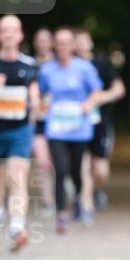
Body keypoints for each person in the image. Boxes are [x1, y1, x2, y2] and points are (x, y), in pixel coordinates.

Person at [0, 15, 39, 250]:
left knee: (17, 174)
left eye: (13, 30)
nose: (9, 34)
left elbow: (35, 91)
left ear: (20, 35)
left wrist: (34, 101)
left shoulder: (30, 66)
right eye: (4, 30)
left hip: (19, 131)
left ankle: (17, 226)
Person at [38, 27, 103, 233]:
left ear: (73, 45)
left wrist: (88, 104)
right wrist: (39, 104)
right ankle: (61, 215)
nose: (62, 47)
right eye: (59, 43)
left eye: (66, 42)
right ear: (54, 45)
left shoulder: (84, 68)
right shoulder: (47, 70)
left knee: (76, 171)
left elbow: (97, 90)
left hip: (79, 127)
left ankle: (77, 198)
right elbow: (39, 93)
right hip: (56, 128)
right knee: (60, 169)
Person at [74, 28, 126, 211]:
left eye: (84, 40)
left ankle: (95, 190)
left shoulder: (101, 64)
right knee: (82, 165)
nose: (80, 44)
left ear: (90, 43)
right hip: (76, 124)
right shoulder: (68, 65)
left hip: (100, 123)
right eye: (77, 41)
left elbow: (119, 89)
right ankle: (85, 205)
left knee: (101, 171)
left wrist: (98, 98)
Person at [31, 27, 55, 215]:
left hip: (60, 120)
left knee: (60, 161)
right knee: (42, 162)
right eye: (39, 40)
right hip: (38, 120)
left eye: (45, 40)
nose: (42, 44)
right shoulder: (29, 65)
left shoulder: (61, 64)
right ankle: (48, 202)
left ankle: (65, 187)